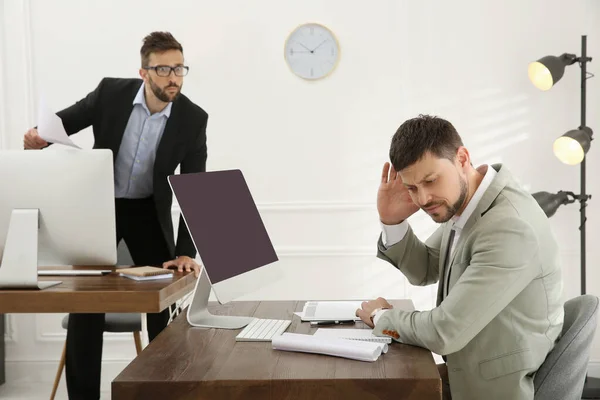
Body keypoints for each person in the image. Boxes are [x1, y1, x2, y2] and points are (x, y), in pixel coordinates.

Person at [23, 31, 207, 399]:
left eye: (180, 68)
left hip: (147, 213)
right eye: (164, 69)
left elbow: (196, 189)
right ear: (144, 72)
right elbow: (61, 123)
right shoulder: (110, 93)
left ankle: (164, 391)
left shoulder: (192, 118)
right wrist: (38, 135)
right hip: (101, 208)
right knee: (86, 303)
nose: (174, 77)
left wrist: (188, 251)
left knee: (163, 301)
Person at [355, 115, 564, 400]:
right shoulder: (471, 205)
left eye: (431, 180)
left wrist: (382, 316)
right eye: (412, 188)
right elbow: (425, 269)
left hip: (494, 389)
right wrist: (392, 222)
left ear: (462, 158)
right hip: (464, 373)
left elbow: (444, 331)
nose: (423, 199)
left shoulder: (507, 226)